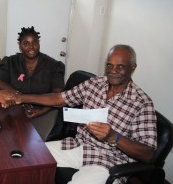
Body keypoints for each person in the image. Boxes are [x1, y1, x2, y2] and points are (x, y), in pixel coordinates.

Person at [15, 45, 157, 184]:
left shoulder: (142, 103)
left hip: (108, 161)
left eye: (120, 66)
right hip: (79, 145)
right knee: (29, 157)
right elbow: (60, 99)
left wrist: (114, 137)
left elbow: (148, 154)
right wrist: (23, 97)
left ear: (132, 67)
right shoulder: (95, 84)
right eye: (109, 65)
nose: (113, 71)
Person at [0, 26, 65, 141]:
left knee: (36, 144)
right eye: (26, 43)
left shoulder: (54, 66)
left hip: (45, 110)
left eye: (35, 42)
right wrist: (20, 97)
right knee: (6, 137)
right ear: (20, 45)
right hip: (15, 107)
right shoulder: (10, 61)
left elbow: (58, 95)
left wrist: (41, 110)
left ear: (39, 43)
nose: (31, 47)